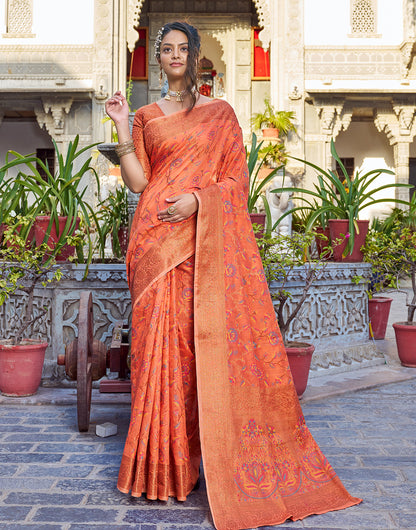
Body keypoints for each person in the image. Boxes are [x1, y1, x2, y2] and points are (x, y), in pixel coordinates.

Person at [105, 21, 361, 530]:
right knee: (157, 350)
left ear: (197, 58)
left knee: (194, 351)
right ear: (158, 59)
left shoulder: (221, 116)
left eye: (183, 49)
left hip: (202, 243)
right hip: (155, 242)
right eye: (167, 49)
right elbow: (139, 184)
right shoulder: (144, 116)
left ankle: (193, 463)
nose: (175, 55)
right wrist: (118, 124)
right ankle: (159, 467)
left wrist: (199, 201)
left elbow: (235, 183)